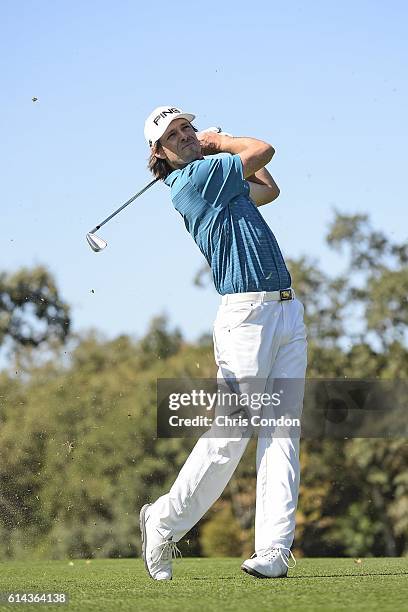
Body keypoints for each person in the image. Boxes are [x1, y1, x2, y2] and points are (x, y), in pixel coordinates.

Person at [139, 106, 307, 580]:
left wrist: (224, 140)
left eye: (189, 127)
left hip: (285, 308)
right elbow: (263, 150)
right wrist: (221, 140)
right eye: (175, 135)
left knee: (282, 431)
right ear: (161, 154)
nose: (187, 136)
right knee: (233, 434)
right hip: (247, 318)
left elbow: (268, 188)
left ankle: (273, 551)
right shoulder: (193, 182)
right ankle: (164, 519)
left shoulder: (220, 178)